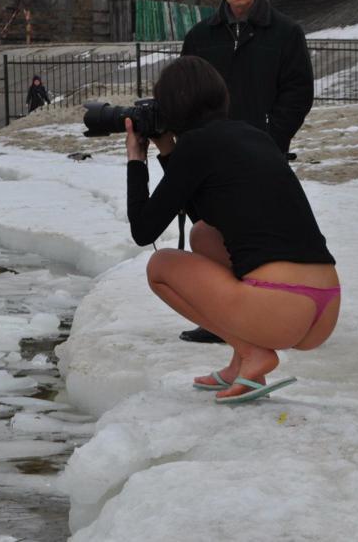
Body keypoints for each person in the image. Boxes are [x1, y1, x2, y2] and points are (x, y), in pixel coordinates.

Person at [125, 56, 340, 403]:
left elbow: (143, 230)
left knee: (159, 267)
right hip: (324, 307)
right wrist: (168, 151)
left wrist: (136, 158)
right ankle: (240, 362)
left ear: (172, 108)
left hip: (280, 306)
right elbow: (207, 215)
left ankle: (253, 352)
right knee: (203, 235)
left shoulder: (196, 147)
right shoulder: (254, 136)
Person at [178, 0, 315, 344]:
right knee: (209, 229)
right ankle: (217, 315)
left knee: (259, 233)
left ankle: (263, 309)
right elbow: (184, 90)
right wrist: (193, 143)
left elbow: (297, 92)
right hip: (212, 155)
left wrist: (272, 139)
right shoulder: (201, 37)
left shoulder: (286, 33)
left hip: (262, 153)